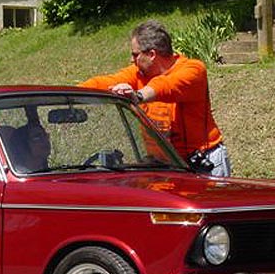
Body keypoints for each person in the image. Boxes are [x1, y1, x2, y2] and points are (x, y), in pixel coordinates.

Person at [79, 19, 231, 176]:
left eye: (135, 54)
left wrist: (138, 95)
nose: (132, 60)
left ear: (152, 54)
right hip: (163, 165)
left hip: (203, 162)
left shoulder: (193, 69)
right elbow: (105, 82)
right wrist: (66, 94)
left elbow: (167, 85)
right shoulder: (137, 73)